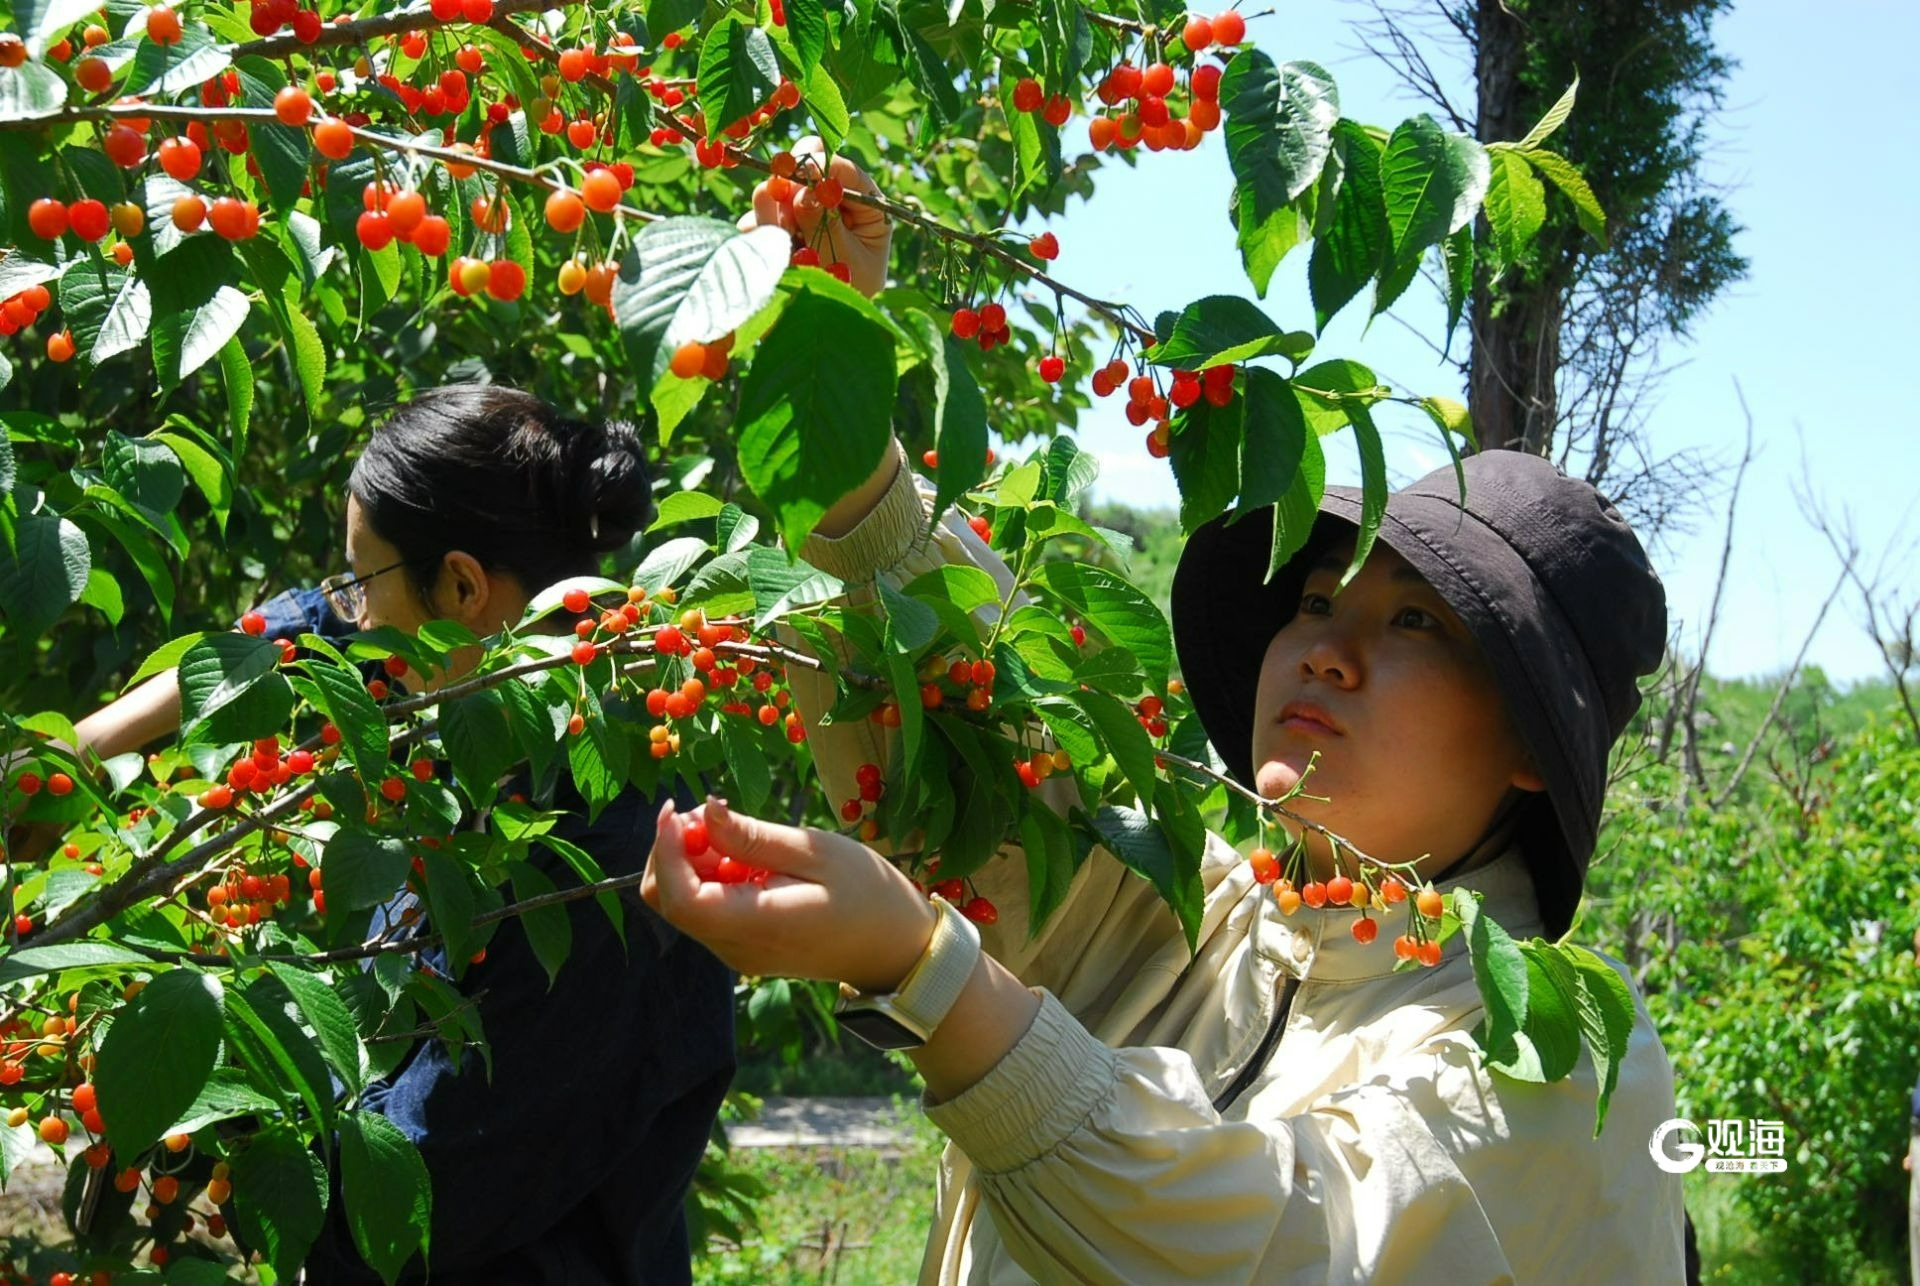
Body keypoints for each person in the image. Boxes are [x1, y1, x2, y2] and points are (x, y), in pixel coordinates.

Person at [640, 148, 1689, 1281]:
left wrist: (931, 971)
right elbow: (995, 761)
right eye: (1320, 597)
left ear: (1532, 749)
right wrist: (831, 374)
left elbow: (1289, 1240)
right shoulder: (1211, 920)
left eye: (1419, 625)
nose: (1328, 651)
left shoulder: (1560, 1049)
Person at [18, 386, 735, 1284]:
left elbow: (403, 1207)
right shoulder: (486, 687)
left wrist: (173, 1082)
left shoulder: (605, 870)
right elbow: (297, 631)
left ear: (465, 586)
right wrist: (77, 754)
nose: (347, 612)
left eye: (362, 581)